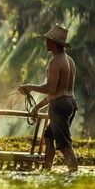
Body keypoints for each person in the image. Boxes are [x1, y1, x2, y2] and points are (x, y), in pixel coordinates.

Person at [18, 24, 78, 172]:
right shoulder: (69, 61)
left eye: (47, 40)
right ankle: (46, 169)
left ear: (53, 43)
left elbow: (50, 89)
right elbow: (57, 93)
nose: (45, 42)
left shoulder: (55, 62)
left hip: (59, 107)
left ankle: (74, 173)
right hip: (70, 103)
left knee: (64, 143)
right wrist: (37, 107)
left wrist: (29, 87)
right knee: (49, 136)